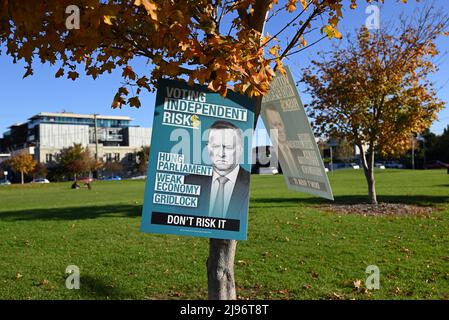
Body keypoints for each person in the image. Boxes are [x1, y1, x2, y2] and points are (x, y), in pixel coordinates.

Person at [185, 120, 250, 220]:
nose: (221, 153)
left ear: (240, 150)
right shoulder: (189, 182)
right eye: (215, 146)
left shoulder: (250, 183)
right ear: (207, 148)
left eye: (228, 147)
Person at [263, 104, 298, 175]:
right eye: (275, 125)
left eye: (280, 124)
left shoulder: (298, 150)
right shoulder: (276, 152)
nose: (279, 129)